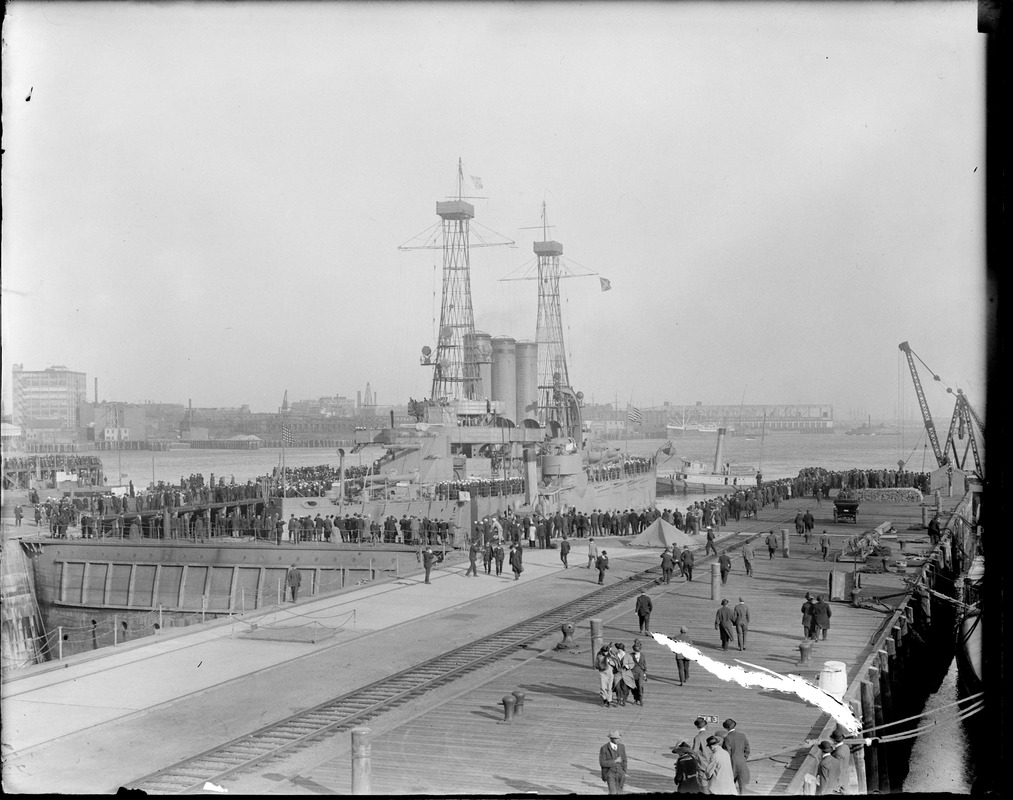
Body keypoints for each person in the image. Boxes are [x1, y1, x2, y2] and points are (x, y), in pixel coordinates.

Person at [721, 719, 750, 793]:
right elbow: (747, 750)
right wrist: (743, 758)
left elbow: (726, 753)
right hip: (742, 763)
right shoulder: (742, 736)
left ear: (726, 728)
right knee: (742, 787)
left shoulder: (727, 738)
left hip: (732, 765)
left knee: (730, 786)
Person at [599, 730, 628, 794]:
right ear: (612, 739)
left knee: (620, 792)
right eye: (617, 739)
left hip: (621, 773)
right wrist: (614, 761)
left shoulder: (622, 746)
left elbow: (624, 760)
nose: (619, 740)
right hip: (610, 773)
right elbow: (602, 763)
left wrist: (624, 771)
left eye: (619, 738)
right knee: (612, 792)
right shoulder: (604, 748)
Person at [630, 640, 648, 705]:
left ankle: (640, 699)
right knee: (634, 687)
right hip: (633, 673)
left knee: (640, 686)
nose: (635, 652)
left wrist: (645, 675)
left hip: (640, 673)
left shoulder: (642, 656)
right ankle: (636, 699)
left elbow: (644, 666)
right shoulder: (631, 655)